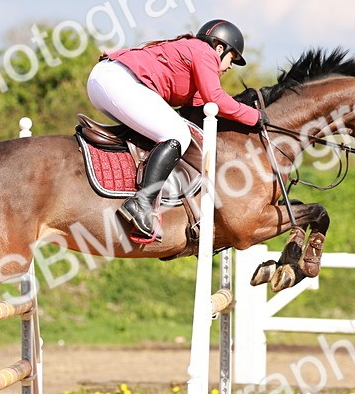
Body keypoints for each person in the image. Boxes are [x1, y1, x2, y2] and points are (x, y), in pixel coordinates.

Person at [87, 19, 266, 241]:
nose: (230, 66)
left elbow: (203, 108)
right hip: (116, 80)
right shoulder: (204, 51)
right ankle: (141, 204)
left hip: (105, 81)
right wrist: (255, 116)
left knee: (166, 130)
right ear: (220, 48)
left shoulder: (193, 56)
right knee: (177, 134)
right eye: (232, 58)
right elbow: (216, 98)